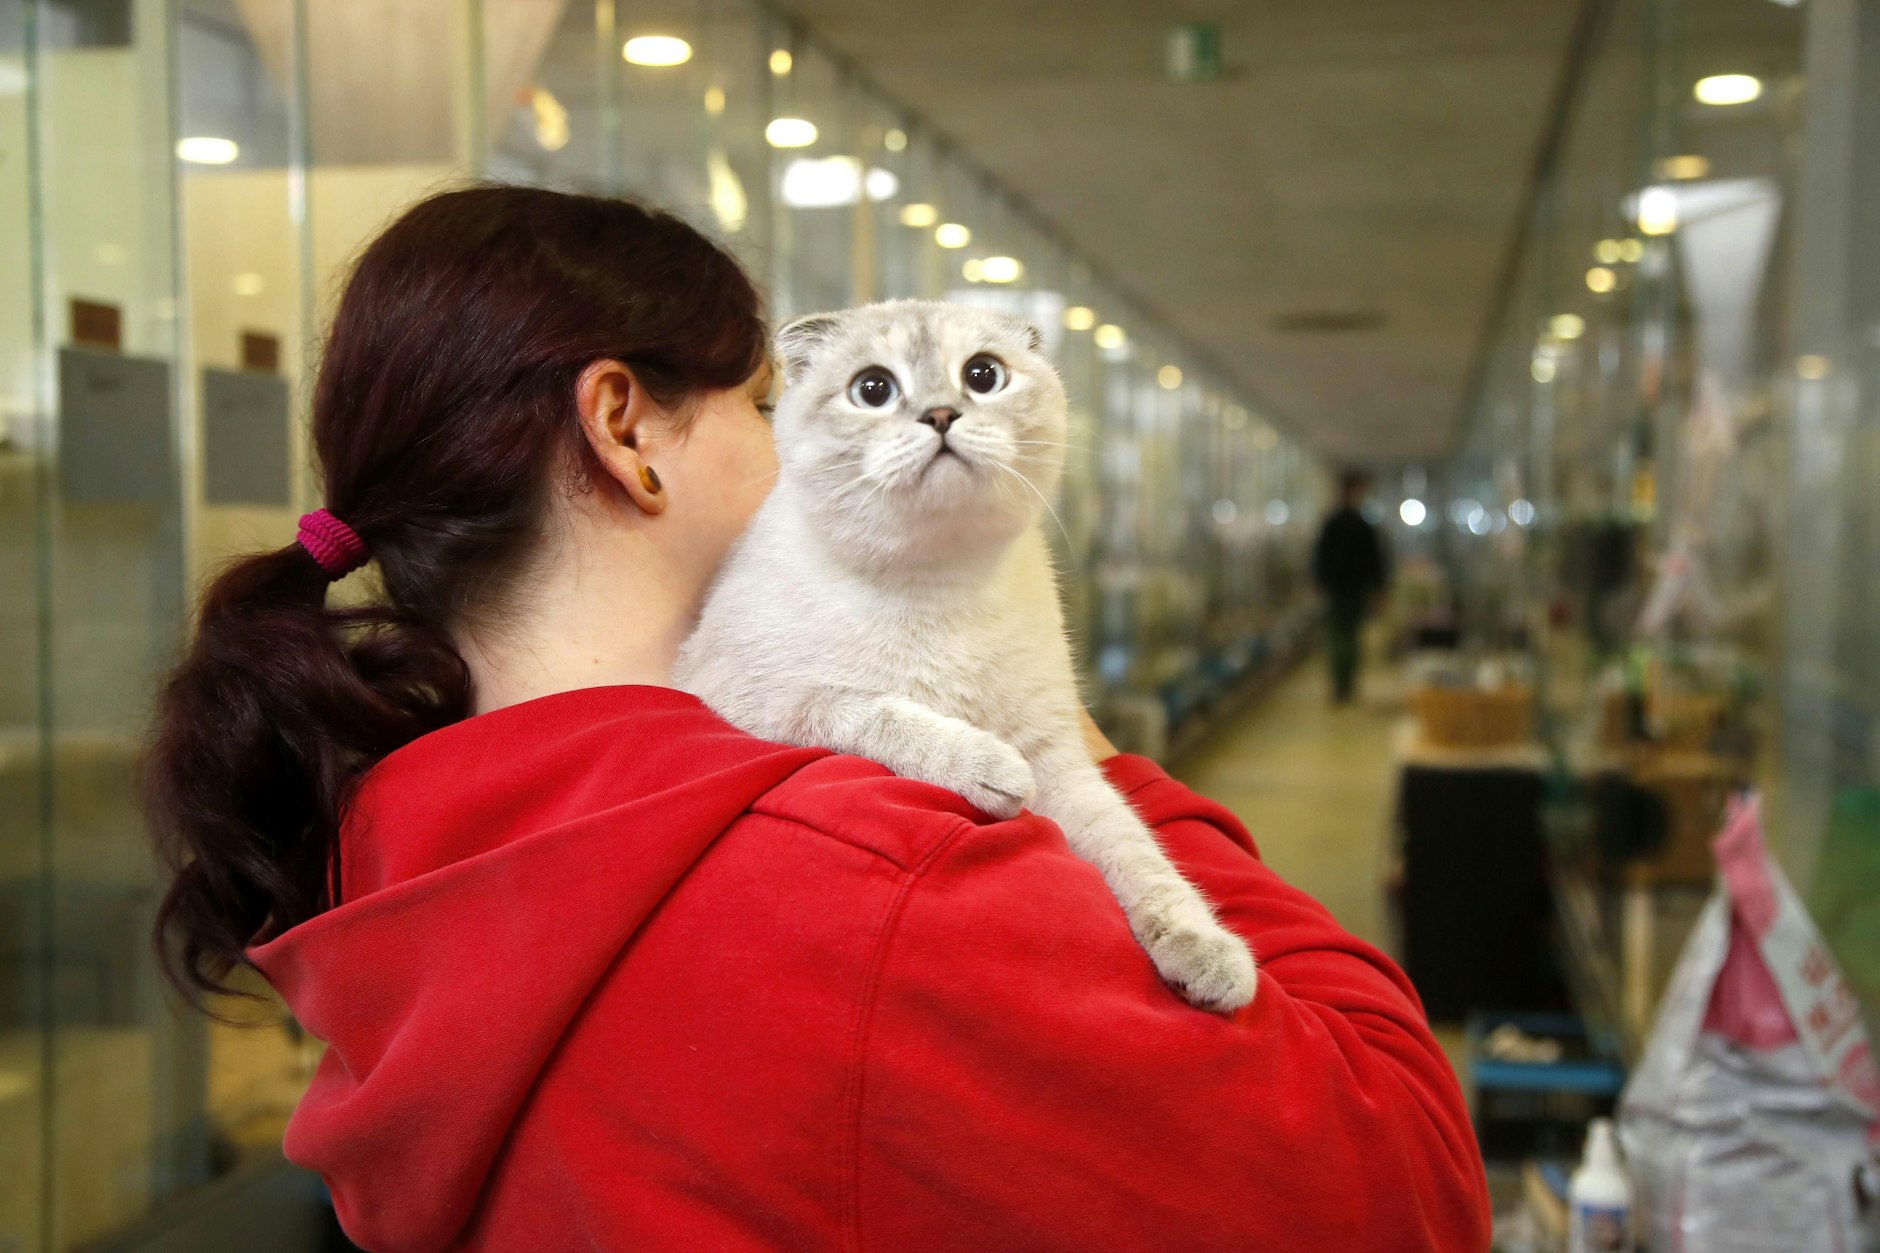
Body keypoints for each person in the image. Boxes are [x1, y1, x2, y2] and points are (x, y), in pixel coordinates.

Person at [144, 186, 1489, 1252]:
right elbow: (1401, 1184)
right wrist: (1061, 737)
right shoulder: (877, 881)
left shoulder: (385, 836)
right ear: (624, 428)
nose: (793, 451)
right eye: (767, 406)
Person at [1313, 469, 1391, 704]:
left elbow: (1320, 558)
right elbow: (1376, 560)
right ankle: (1345, 684)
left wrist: (1320, 583)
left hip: (1340, 588)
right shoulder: (1361, 526)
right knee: (1348, 636)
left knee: (1340, 635)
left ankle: (1342, 685)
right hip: (1353, 588)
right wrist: (1379, 588)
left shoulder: (1334, 524)